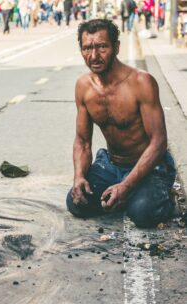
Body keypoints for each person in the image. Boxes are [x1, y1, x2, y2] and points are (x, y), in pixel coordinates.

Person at [66, 19, 176, 228]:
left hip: (151, 166)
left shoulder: (141, 82)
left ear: (116, 47)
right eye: (87, 48)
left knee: (141, 213)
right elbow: (82, 142)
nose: (94, 56)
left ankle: (161, 201)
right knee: (76, 202)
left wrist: (127, 185)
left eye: (102, 47)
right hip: (112, 165)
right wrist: (78, 176)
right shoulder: (83, 86)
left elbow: (159, 141)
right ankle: (129, 195)